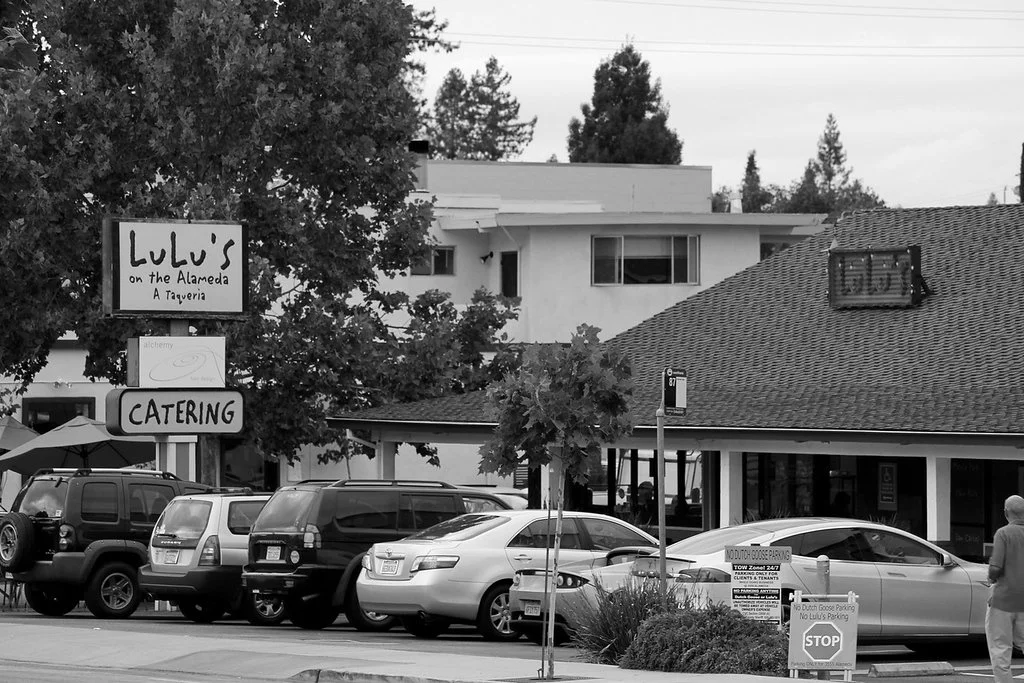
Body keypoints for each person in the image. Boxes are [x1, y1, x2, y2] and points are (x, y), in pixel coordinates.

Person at [987, 494, 1024, 683]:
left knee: (1000, 649)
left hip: (1003, 600)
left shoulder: (1003, 533)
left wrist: (990, 578)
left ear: (1005, 512)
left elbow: (995, 568)